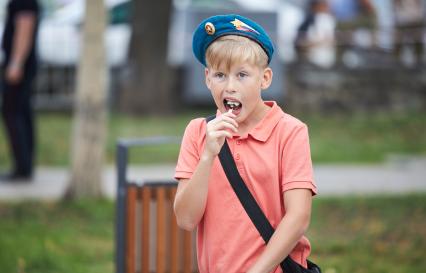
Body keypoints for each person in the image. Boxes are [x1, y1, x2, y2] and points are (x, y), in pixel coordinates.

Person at [174, 14, 318, 272]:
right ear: (207, 78)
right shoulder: (197, 132)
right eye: (220, 75)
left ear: (264, 79)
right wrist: (208, 155)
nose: (230, 87)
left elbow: (298, 218)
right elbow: (185, 219)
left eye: (242, 75)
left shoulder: (290, 131)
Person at [1, 0, 40, 181]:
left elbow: (25, 27)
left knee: (13, 112)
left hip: (19, 66)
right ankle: (24, 165)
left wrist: (16, 63)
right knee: (21, 112)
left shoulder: (24, 1)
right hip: (22, 64)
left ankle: (22, 166)